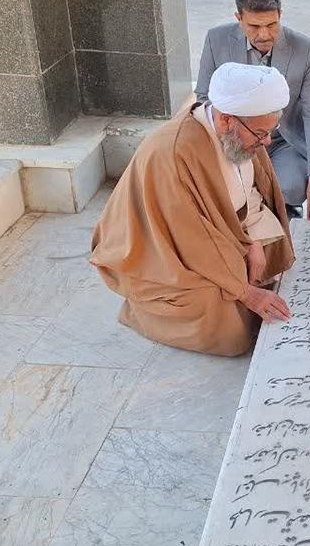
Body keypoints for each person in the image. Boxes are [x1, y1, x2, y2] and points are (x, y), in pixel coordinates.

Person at [91, 63, 296, 357]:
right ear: (226, 120)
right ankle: (142, 310)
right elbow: (190, 238)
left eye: (270, 132)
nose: (267, 142)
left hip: (216, 234)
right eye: (261, 133)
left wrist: (253, 240)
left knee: (271, 248)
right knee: (225, 323)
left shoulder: (238, 136)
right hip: (159, 250)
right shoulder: (175, 153)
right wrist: (246, 292)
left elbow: (250, 189)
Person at [195, 0, 310, 220]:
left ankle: (281, 204)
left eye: (271, 24)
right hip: (234, 138)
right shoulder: (216, 40)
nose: (264, 34)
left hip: (282, 141)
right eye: (254, 26)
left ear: (280, 14)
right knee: (220, 189)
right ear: (239, 18)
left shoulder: (306, 49)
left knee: (292, 187)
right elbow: (205, 98)